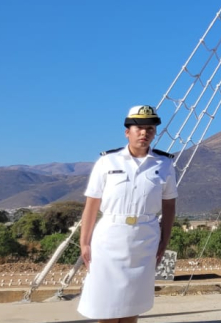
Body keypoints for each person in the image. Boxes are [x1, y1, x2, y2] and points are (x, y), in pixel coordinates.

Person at [77, 105, 177, 323]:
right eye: (139, 128)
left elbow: (169, 206)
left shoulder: (165, 164)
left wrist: (163, 242)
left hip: (145, 239)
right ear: (127, 132)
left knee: (133, 306)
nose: (144, 133)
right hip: (109, 239)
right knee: (106, 308)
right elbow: (91, 205)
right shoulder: (107, 162)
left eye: (150, 129)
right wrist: (84, 242)